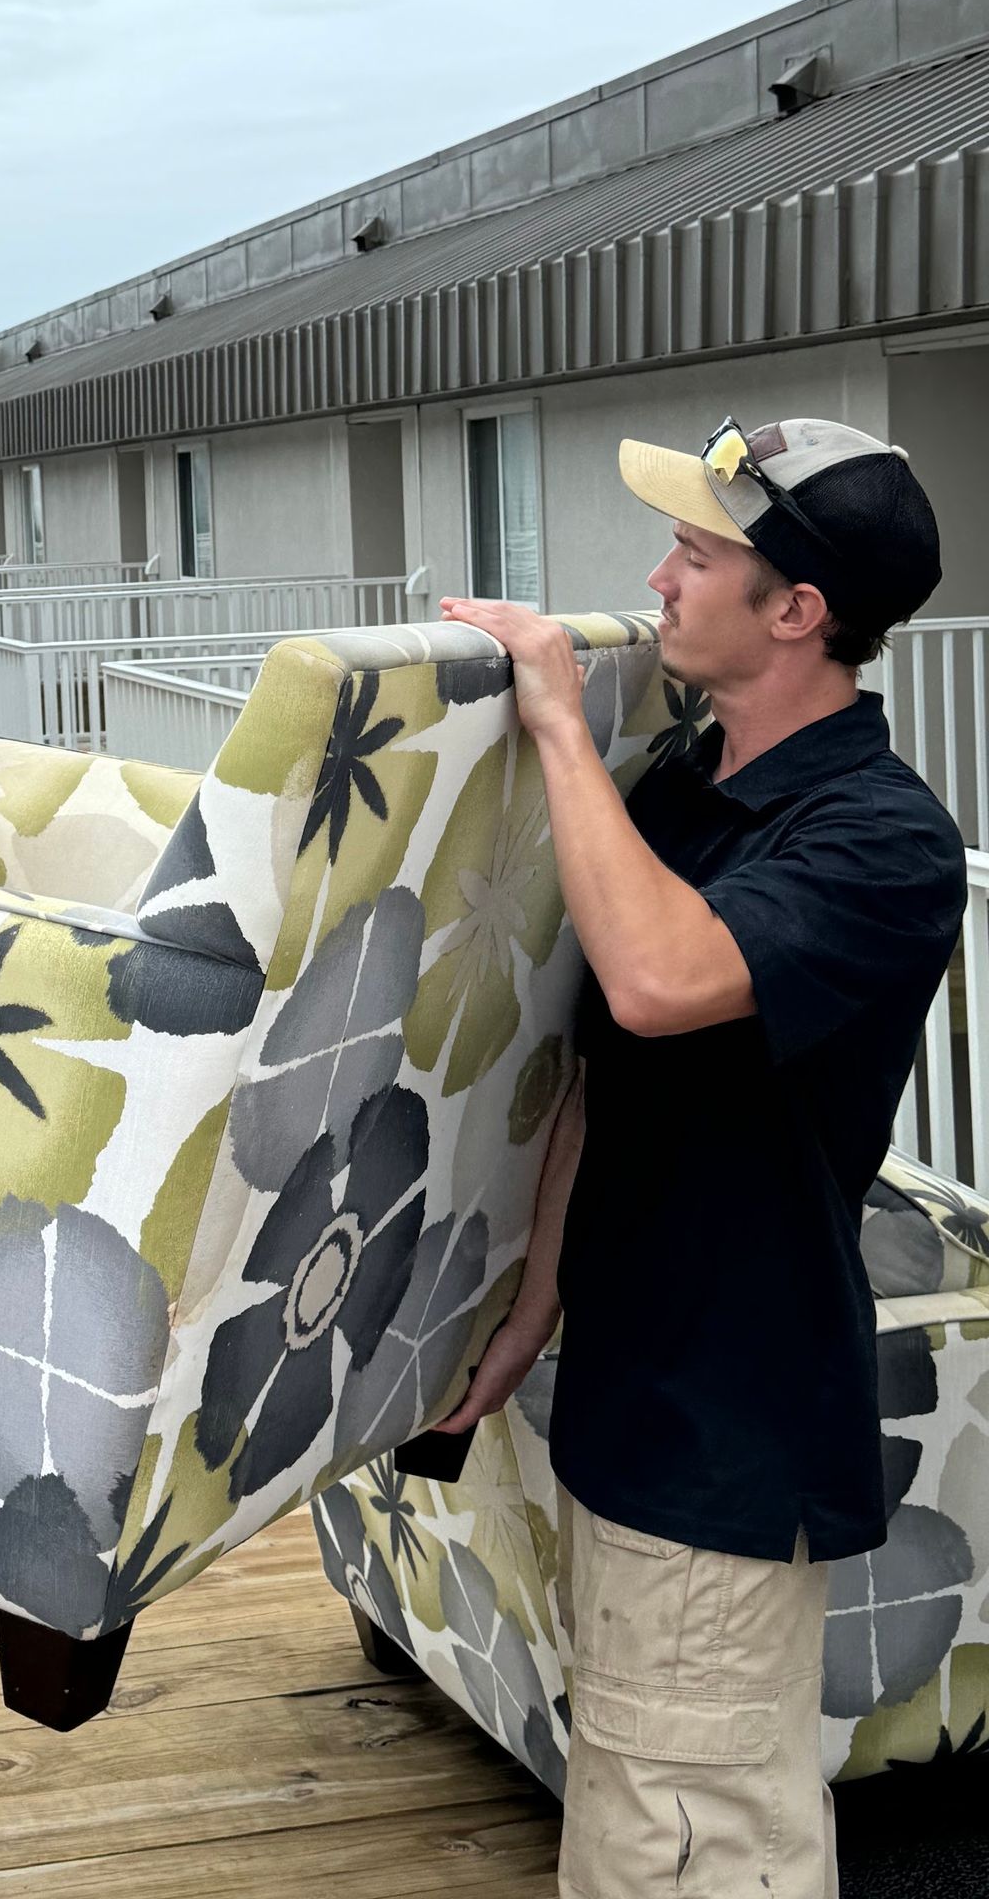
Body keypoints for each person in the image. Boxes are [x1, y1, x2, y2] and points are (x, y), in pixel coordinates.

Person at [436, 416, 965, 1899]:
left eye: (700, 553)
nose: (658, 577)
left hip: (733, 1421)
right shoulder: (686, 790)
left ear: (797, 612)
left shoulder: (883, 843)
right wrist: (535, 1301)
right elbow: (610, 1074)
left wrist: (553, 721)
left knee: (689, 1836)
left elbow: (665, 979)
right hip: (630, 1385)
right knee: (639, 1787)